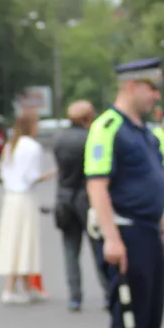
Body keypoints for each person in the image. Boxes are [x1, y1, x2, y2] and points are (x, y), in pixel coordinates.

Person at [85, 57, 164, 328]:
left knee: (151, 314)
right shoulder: (108, 127)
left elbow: (156, 185)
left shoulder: (146, 133)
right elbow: (97, 186)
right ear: (132, 86)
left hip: (149, 232)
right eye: (152, 87)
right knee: (131, 315)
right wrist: (112, 238)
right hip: (125, 231)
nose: (156, 95)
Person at [0, 109, 54, 304]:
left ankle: (24, 287)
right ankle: (12, 289)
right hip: (25, 199)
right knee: (25, 241)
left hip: (10, 198)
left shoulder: (11, 146)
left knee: (14, 241)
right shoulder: (32, 147)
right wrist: (52, 173)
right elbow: (32, 177)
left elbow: (4, 173)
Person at [52, 100, 106, 312]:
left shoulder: (59, 140)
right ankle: (108, 293)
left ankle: (75, 297)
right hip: (88, 200)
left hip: (64, 199)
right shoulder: (93, 138)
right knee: (98, 247)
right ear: (88, 118)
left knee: (70, 250)